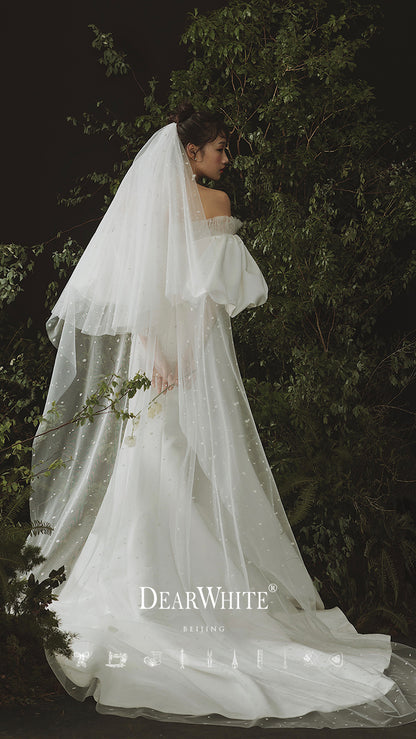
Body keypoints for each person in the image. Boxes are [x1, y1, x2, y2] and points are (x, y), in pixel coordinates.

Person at [28, 102, 416, 729]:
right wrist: (165, 359)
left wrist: (166, 358)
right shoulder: (199, 205)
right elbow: (169, 297)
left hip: (171, 363)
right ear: (191, 153)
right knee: (160, 470)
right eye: (218, 148)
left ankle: (173, 601)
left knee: (176, 469)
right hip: (169, 363)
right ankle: (162, 600)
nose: (226, 157)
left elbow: (175, 300)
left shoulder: (180, 208)